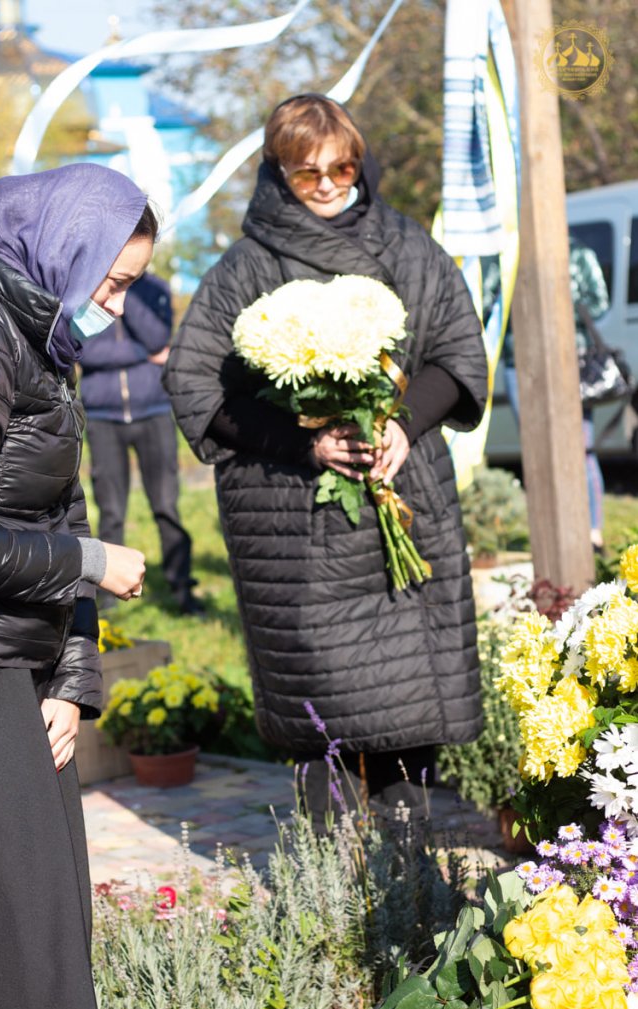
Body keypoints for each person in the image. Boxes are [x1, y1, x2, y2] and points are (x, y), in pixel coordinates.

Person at [164, 94, 488, 822]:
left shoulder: (409, 247)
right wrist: (305, 441)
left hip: (404, 492)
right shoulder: (246, 266)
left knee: (409, 705)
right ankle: (329, 874)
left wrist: (402, 424)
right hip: (298, 523)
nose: (330, 186)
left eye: (342, 168)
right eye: (308, 173)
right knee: (326, 718)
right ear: (278, 174)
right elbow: (193, 384)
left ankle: (408, 873)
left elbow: (456, 353)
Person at [0, 163, 155, 1009]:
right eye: (114, 282)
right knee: (27, 967)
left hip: (20, 674)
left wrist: (71, 682)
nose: (118, 307)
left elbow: (56, 510)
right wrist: (90, 561)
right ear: (64, 251)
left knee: (40, 945)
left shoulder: (39, 335)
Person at [79, 271, 203, 615]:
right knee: (111, 510)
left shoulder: (155, 288)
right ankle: (106, 595)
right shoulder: (88, 286)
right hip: (104, 417)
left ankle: (182, 588)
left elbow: (157, 337)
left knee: (167, 505)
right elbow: (86, 351)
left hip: (154, 413)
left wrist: (128, 290)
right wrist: (144, 353)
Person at [488, 237, 609, 552]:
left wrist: (556, 306)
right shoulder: (508, 255)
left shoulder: (579, 253)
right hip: (520, 361)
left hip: (571, 357)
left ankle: (593, 532)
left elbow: (600, 303)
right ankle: (550, 529)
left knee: (582, 446)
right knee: (536, 448)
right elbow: (488, 303)